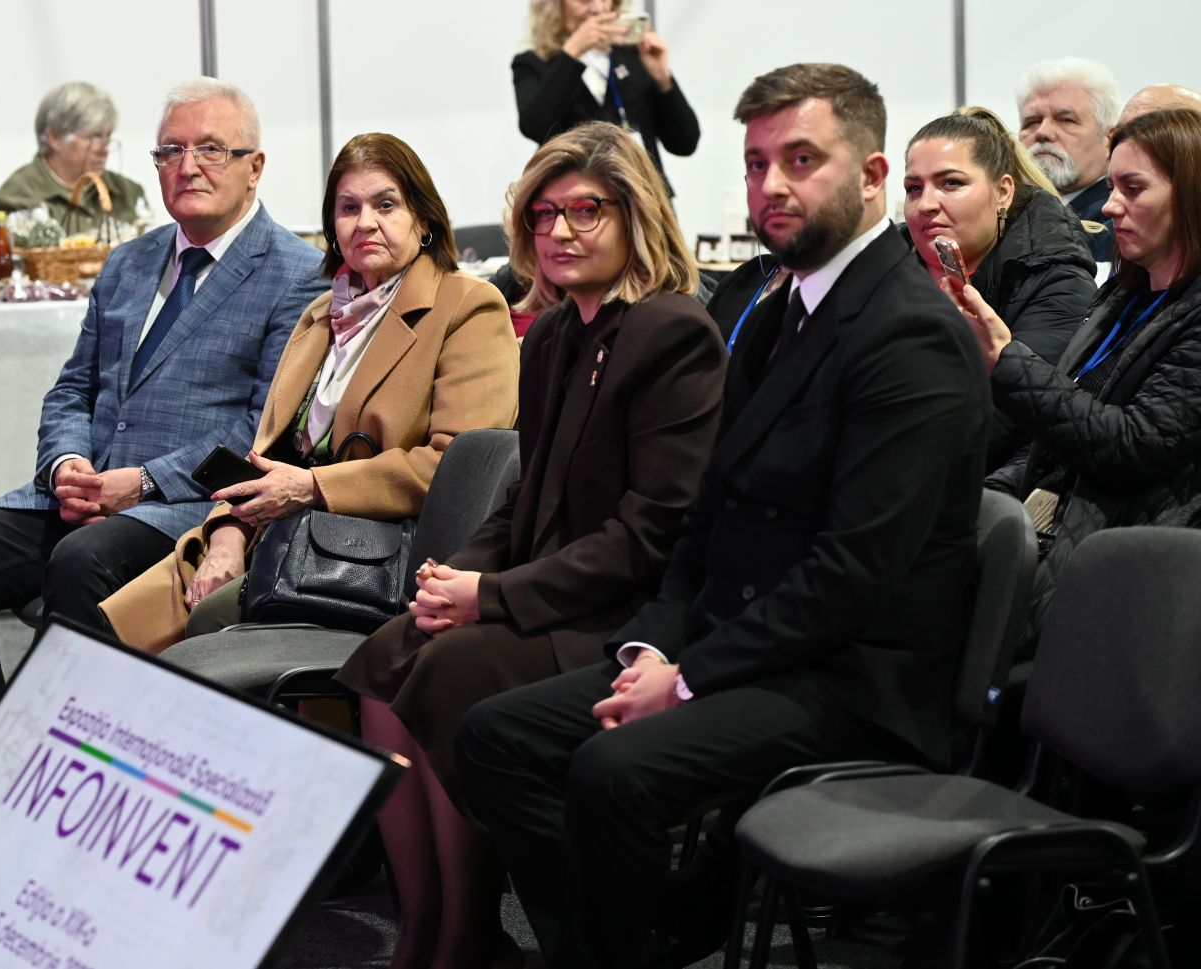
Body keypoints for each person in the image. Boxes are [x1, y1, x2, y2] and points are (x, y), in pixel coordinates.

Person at [455, 64, 989, 969]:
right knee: (494, 738)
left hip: (854, 681)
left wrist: (688, 677)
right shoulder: (783, 312)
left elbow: (851, 576)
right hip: (751, 646)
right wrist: (652, 646)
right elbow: (707, 522)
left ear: (871, 176)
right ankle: (639, 935)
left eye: (801, 160)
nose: (770, 185)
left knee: (611, 771)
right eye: (754, 163)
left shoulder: (910, 332)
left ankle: (632, 936)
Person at [336, 120, 726, 969]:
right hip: (543, 593)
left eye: (586, 211)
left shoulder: (672, 332)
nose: (560, 231)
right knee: (383, 659)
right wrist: (456, 576)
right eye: (543, 215)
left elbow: (650, 534)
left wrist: (491, 598)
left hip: (622, 612)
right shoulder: (550, 336)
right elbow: (524, 498)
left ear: (634, 216)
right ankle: (427, 925)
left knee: (445, 672)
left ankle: (467, 938)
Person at [0, 79, 323, 817]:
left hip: (185, 503)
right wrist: (67, 463)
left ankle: (64, 787)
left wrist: (142, 482)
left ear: (255, 167)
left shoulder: (294, 273)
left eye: (211, 149)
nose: (187, 166)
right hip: (84, 488)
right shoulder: (130, 262)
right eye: (170, 150)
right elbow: (71, 389)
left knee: (79, 563)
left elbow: (262, 430)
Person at [95, 133, 520, 650]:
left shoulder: (468, 307)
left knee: (190, 632)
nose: (365, 222)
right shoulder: (322, 314)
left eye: (386, 205)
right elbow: (267, 454)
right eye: (348, 208)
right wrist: (227, 537)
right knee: (107, 624)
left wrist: (314, 487)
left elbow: (459, 470)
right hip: (274, 531)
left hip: (376, 557)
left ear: (424, 219)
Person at [951, 107, 1201, 653]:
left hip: (1124, 571)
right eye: (1111, 187)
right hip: (1061, 532)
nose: (1109, 206)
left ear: (1190, 195)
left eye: (1133, 188)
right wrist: (982, 497)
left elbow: (1130, 444)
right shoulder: (1124, 295)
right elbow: (1051, 441)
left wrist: (1005, 359)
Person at [902, 106, 1097, 468]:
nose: (926, 204)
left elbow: (1009, 422)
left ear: (1003, 192)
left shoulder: (1056, 276)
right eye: (914, 188)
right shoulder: (882, 266)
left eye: (951, 183)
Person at [513, 0, 699, 196]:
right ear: (556, 4)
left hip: (645, 200)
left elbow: (685, 143)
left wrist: (664, 80)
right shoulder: (535, 63)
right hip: (577, 201)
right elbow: (534, 127)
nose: (598, 8)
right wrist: (572, 53)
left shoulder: (633, 55)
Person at [0, 81, 149, 243]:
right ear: (54, 138)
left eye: (108, 136)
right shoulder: (18, 198)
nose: (104, 149)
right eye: (93, 137)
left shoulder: (127, 193)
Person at [1017, 57, 1121, 268]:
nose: (1043, 132)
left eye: (1066, 120)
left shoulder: (1119, 224)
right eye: (1032, 122)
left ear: (1109, 139)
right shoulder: (1002, 215)